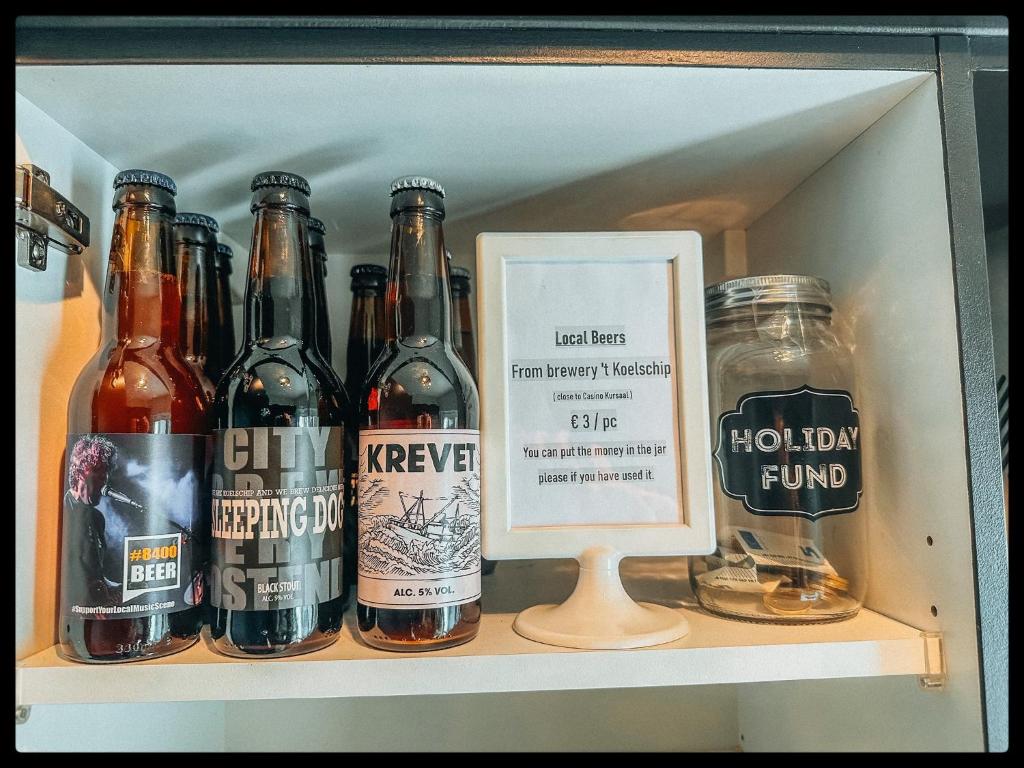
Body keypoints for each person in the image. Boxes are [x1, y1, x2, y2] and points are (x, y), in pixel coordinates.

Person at [63, 435, 119, 607]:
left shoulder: (97, 519)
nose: (105, 478)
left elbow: (97, 577)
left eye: (106, 471)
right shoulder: (66, 508)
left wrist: (120, 588)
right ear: (81, 470)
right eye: (98, 470)